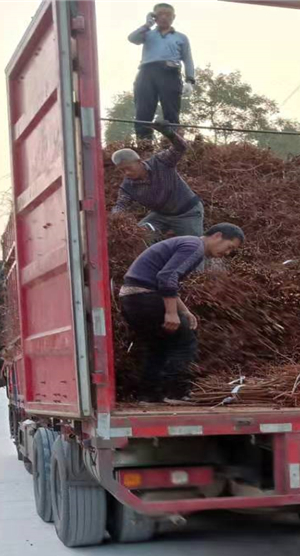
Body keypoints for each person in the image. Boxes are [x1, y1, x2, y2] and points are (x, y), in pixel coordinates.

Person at [119, 224, 245, 403]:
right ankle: (175, 392)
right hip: (145, 296)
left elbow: (164, 281)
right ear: (217, 236)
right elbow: (167, 278)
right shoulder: (194, 247)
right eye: (229, 247)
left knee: (158, 346)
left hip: (132, 299)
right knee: (185, 340)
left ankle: (149, 395)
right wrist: (171, 313)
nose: (227, 253)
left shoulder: (188, 244)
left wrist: (184, 311)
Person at [111, 122, 203, 237]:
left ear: (139, 162)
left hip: (187, 212)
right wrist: (115, 218)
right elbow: (121, 205)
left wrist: (168, 133)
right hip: (161, 216)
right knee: (139, 237)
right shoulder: (127, 186)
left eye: (128, 168)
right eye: (122, 171)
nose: (126, 173)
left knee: (193, 246)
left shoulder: (160, 162)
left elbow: (181, 147)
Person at [127, 3, 195, 141]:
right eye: (160, 14)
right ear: (154, 16)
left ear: (173, 17)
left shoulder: (181, 37)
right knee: (143, 112)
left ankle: (173, 147)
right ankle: (145, 146)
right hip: (147, 73)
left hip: (170, 73)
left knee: (171, 113)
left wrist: (190, 80)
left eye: (168, 14)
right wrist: (147, 24)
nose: (164, 17)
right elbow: (132, 39)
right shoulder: (147, 34)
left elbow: (188, 59)